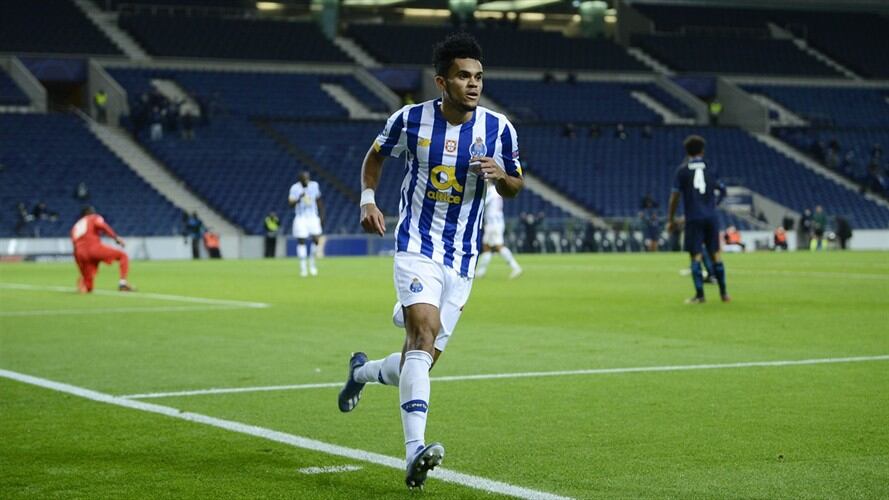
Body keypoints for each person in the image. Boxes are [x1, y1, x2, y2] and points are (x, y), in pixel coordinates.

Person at [338, 32, 523, 490]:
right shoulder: (409, 121)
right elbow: (375, 156)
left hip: (462, 259)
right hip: (417, 245)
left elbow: (516, 184)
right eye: (464, 76)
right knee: (421, 332)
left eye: (479, 76)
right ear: (443, 81)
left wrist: (502, 177)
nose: (474, 84)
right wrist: (367, 199)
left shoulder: (499, 129)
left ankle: (360, 371)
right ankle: (414, 452)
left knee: (417, 360)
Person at [667, 135, 730, 304]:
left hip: (693, 218)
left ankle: (700, 296)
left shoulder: (682, 170)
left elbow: (674, 197)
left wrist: (671, 219)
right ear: (702, 151)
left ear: (687, 152)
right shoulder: (710, 167)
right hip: (711, 216)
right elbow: (723, 190)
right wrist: (713, 204)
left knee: (695, 255)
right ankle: (724, 294)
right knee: (716, 254)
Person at [70, 206, 133, 293]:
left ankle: (83, 284)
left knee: (89, 287)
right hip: (93, 248)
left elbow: (74, 243)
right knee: (123, 256)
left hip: (79, 253)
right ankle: (123, 283)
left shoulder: (76, 226)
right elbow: (102, 226)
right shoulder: (93, 217)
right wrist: (116, 238)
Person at [475, 181, 522, 278]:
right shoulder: (496, 191)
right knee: (486, 247)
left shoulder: (490, 192)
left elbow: (482, 203)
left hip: (494, 224)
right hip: (494, 223)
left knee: (498, 246)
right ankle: (481, 272)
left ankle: (516, 267)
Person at [288, 171, 324, 277]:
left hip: (313, 216)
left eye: (308, 178)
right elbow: (290, 203)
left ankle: (312, 263)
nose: (306, 180)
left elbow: (319, 201)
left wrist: (322, 217)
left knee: (316, 239)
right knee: (301, 241)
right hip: (301, 217)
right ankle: (303, 267)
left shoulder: (314, 185)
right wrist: (299, 198)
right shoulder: (295, 188)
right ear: (300, 179)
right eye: (304, 179)